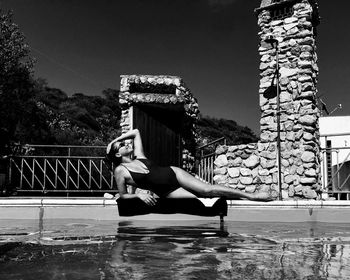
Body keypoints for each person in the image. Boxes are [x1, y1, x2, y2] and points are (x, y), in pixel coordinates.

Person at [105, 129, 275, 206]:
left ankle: (252, 196)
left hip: (174, 173)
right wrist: (139, 198)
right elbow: (123, 195)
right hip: (167, 192)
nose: (125, 143)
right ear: (118, 155)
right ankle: (238, 201)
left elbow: (135, 132)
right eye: (121, 145)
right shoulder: (120, 170)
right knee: (202, 199)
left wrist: (114, 140)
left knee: (207, 190)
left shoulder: (139, 156)